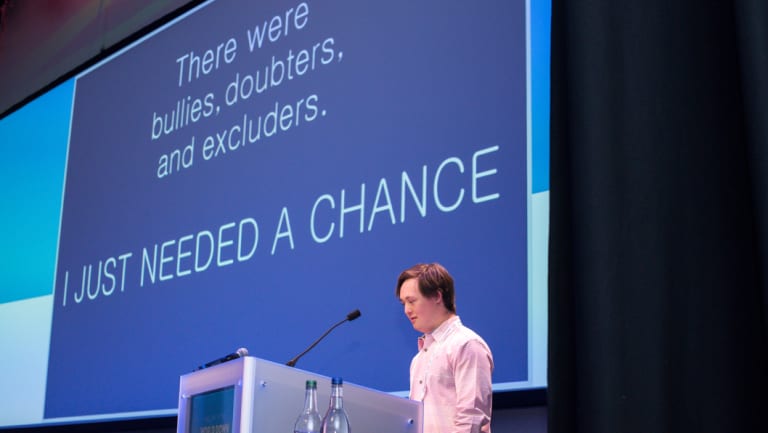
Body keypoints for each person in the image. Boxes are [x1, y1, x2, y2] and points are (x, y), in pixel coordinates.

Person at [395, 262, 494, 433]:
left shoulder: (466, 344)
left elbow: (470, 420)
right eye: (403, 303)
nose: (406, 310)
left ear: (437, 296)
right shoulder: (418, 359)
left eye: (411, 301)